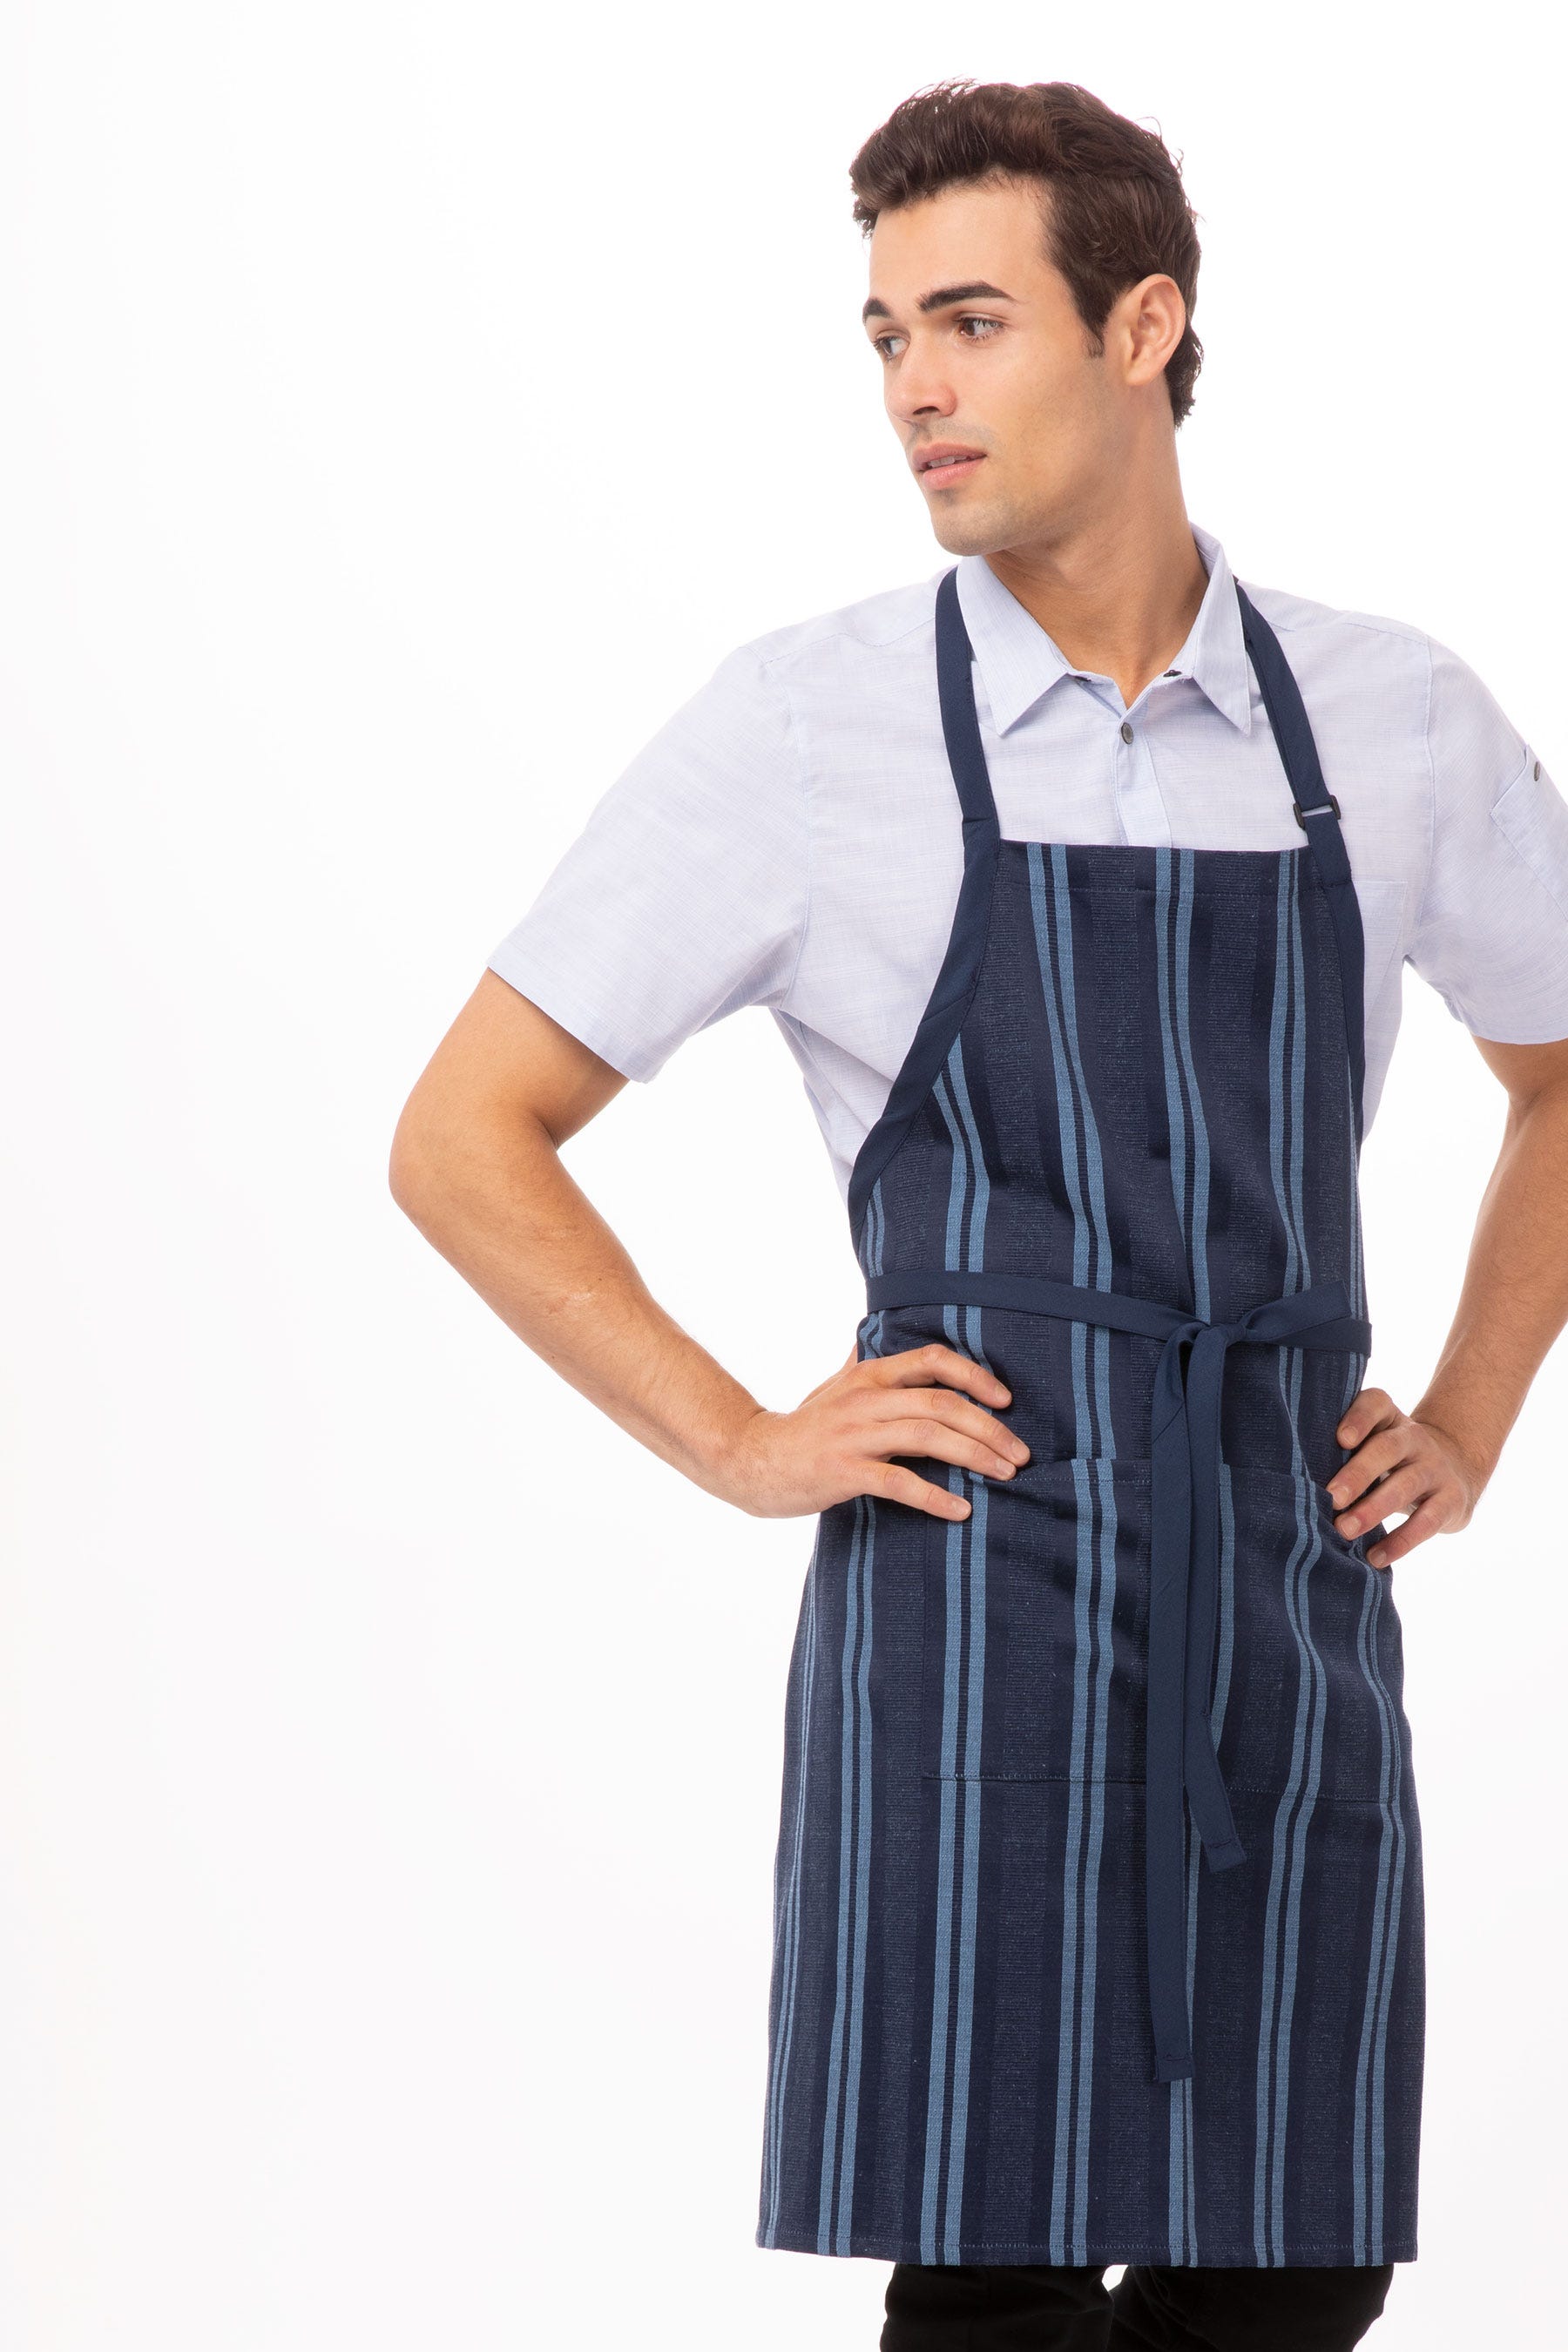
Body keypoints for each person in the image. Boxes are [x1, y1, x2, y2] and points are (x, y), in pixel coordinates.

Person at [388, 78, 1568, 2352]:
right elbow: (467, 1129)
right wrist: (743, 1438)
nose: (913, 387)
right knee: (996, 2260)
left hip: (1283, 1578)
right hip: (972, 1598)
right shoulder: (808, 729)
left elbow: (1564, 1069)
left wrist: (1476, 1410)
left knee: (1302, 2254)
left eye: (969, 321)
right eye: (883, 334)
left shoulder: (1391, 717)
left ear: (1144, 327)